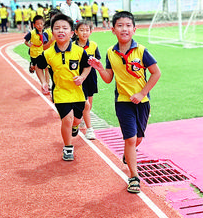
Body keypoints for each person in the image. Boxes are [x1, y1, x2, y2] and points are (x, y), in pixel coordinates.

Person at [88, 11, 161, 193]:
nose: (124, 29)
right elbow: (108, 78)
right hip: (122, 101)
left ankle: (128, 154)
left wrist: (142, 93)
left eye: (128, 25)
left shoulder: (141, 51)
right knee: (130, 138)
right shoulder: (110, 53)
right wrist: (98, 68)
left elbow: (156, 73)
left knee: (138, 138)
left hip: (142, 101)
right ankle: (134, 177)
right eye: (120, 25)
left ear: (134, 29)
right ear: (113, 30)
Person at [35, 13, 91, 161]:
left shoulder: (79, 51)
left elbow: (87, 67)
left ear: (72, 33)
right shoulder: (47, 53)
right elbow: (38, 67)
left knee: (76, 121)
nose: (61, 31)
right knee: (67, 119)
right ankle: (68, 148)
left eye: (65, 28)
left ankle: (75, 127)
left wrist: (82, 77)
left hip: (77, 92)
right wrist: (43, 82)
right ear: (52, 32)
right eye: (57, 28)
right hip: (60, 92)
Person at [74, 21, 100, 140]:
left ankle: (85, 118)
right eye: (81, 30)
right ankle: (90, 129)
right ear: (76, 32)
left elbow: (97, 59)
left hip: (91, 76)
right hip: (79, 76)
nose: (84, 33)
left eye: (87, 30)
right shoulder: (73, 46)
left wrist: (94, 61)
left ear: (91, 31)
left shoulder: (93, 45)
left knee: (90, 101)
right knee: (86, 103)